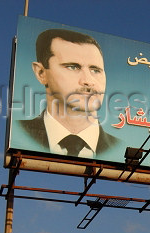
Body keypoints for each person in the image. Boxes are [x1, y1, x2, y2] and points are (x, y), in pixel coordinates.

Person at [18, 28, 120, 157]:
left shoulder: (122, 150)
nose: (88, 81)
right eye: (72, 67)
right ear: (41, 73)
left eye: (95, 70)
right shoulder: (19, 133)